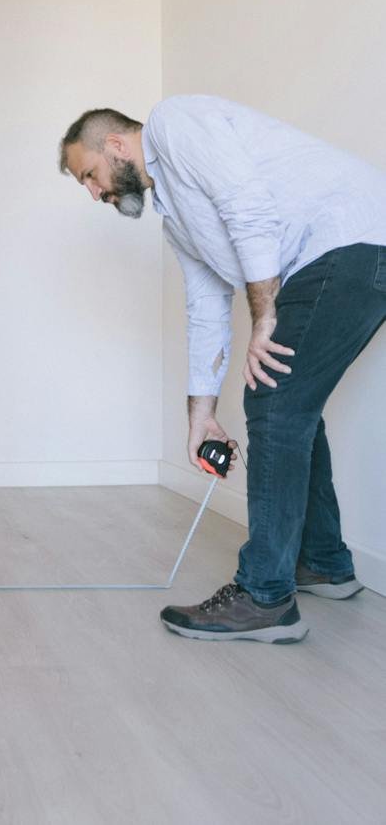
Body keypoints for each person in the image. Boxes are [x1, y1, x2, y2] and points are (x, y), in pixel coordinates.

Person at [59, 95, 386, 643]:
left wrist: (264, 317)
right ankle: (325, 562)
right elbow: (205, 311)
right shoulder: (176, 221)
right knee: (293, 401)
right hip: (352, 252)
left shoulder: (174, 123)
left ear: (115, 145)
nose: (95, 193)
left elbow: (247, 204)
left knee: (274, 399)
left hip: (347, 241)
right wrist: (201, 417)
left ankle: (264, 598)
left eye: (89, 175)